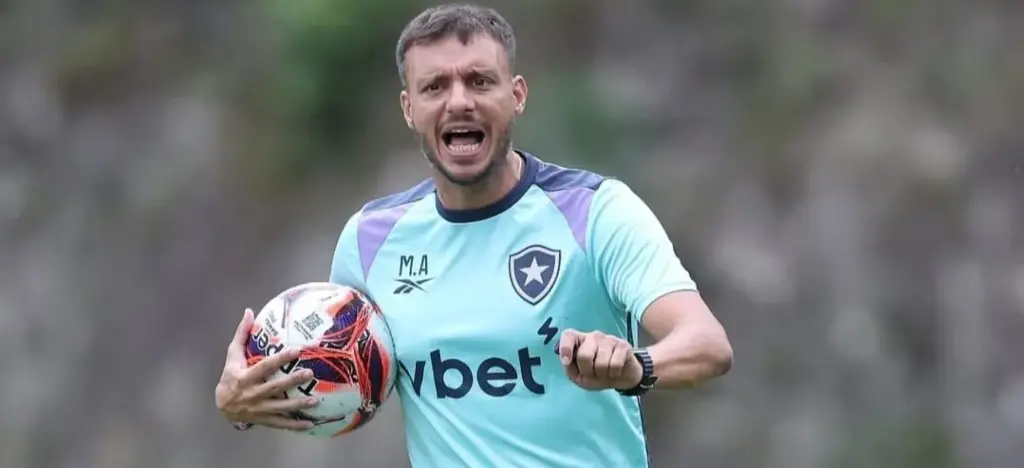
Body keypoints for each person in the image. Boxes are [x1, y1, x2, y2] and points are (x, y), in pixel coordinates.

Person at [215, 3, 733, 467]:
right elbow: (337, 384)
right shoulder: (370, 241)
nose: (458, 101)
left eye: (479, 81)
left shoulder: (596, 211)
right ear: (408, 108)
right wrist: (244, 404)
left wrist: (635, 366)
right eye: (435, 86)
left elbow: (707, 345)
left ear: (517, 95)